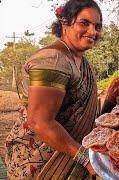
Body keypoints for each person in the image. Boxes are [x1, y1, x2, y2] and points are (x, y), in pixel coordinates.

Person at [5, 0, 102, 179]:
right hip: (40, 162)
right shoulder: (52, 60)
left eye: (97, 26)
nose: (92, 31)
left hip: (69, 155)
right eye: (84, 23)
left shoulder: (81, 61)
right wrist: (85, 158)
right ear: (65, 22)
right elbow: (40, 122)